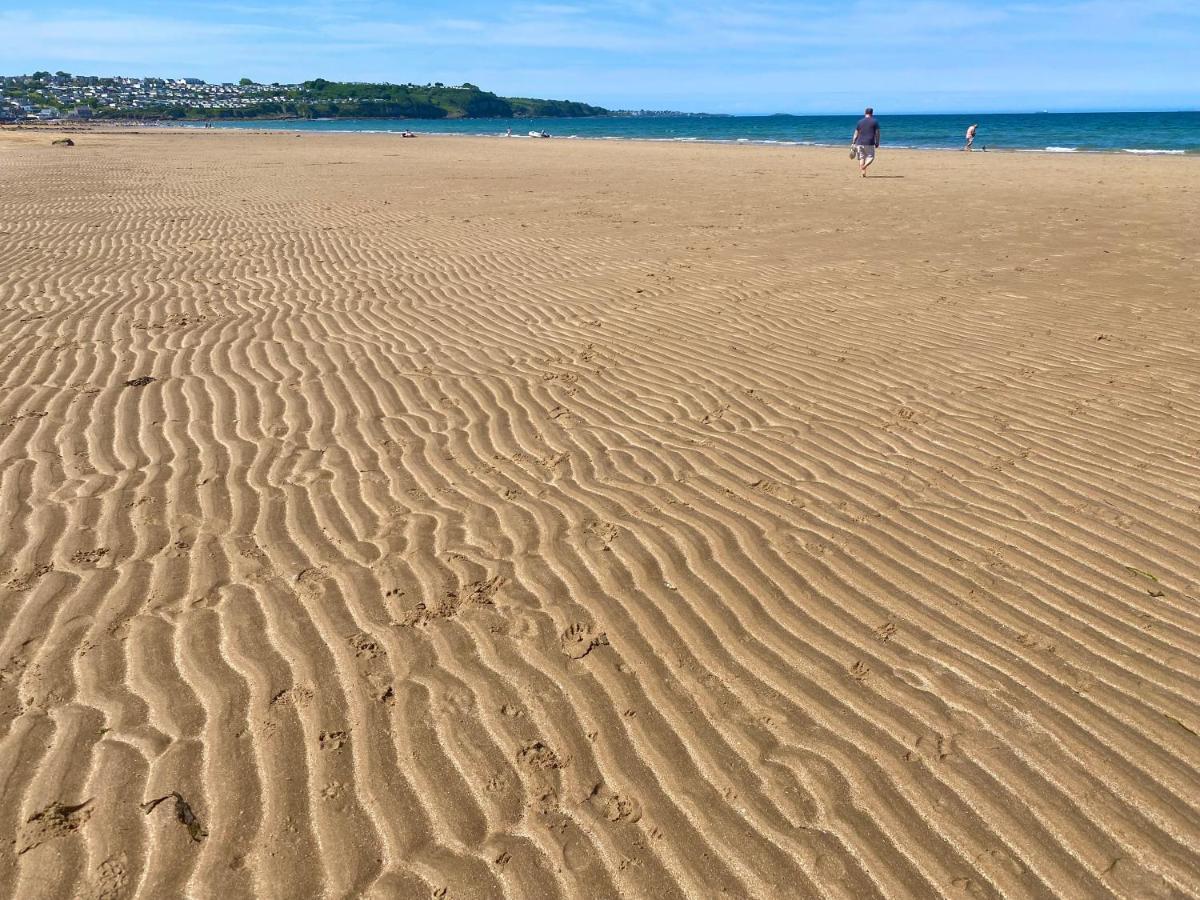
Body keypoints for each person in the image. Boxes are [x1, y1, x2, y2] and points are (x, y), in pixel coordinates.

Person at [851, 107, 880, 177]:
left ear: (865, 113)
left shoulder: (859, 122)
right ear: (872, 113)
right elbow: (877, 133)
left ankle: (863, 173)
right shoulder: (875, 121)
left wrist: (853, 142)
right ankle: (864, 166)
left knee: (862, 157)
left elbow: (856, 133)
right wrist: (877, 142)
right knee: (871, 157)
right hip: (869, 142)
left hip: (859, 142)